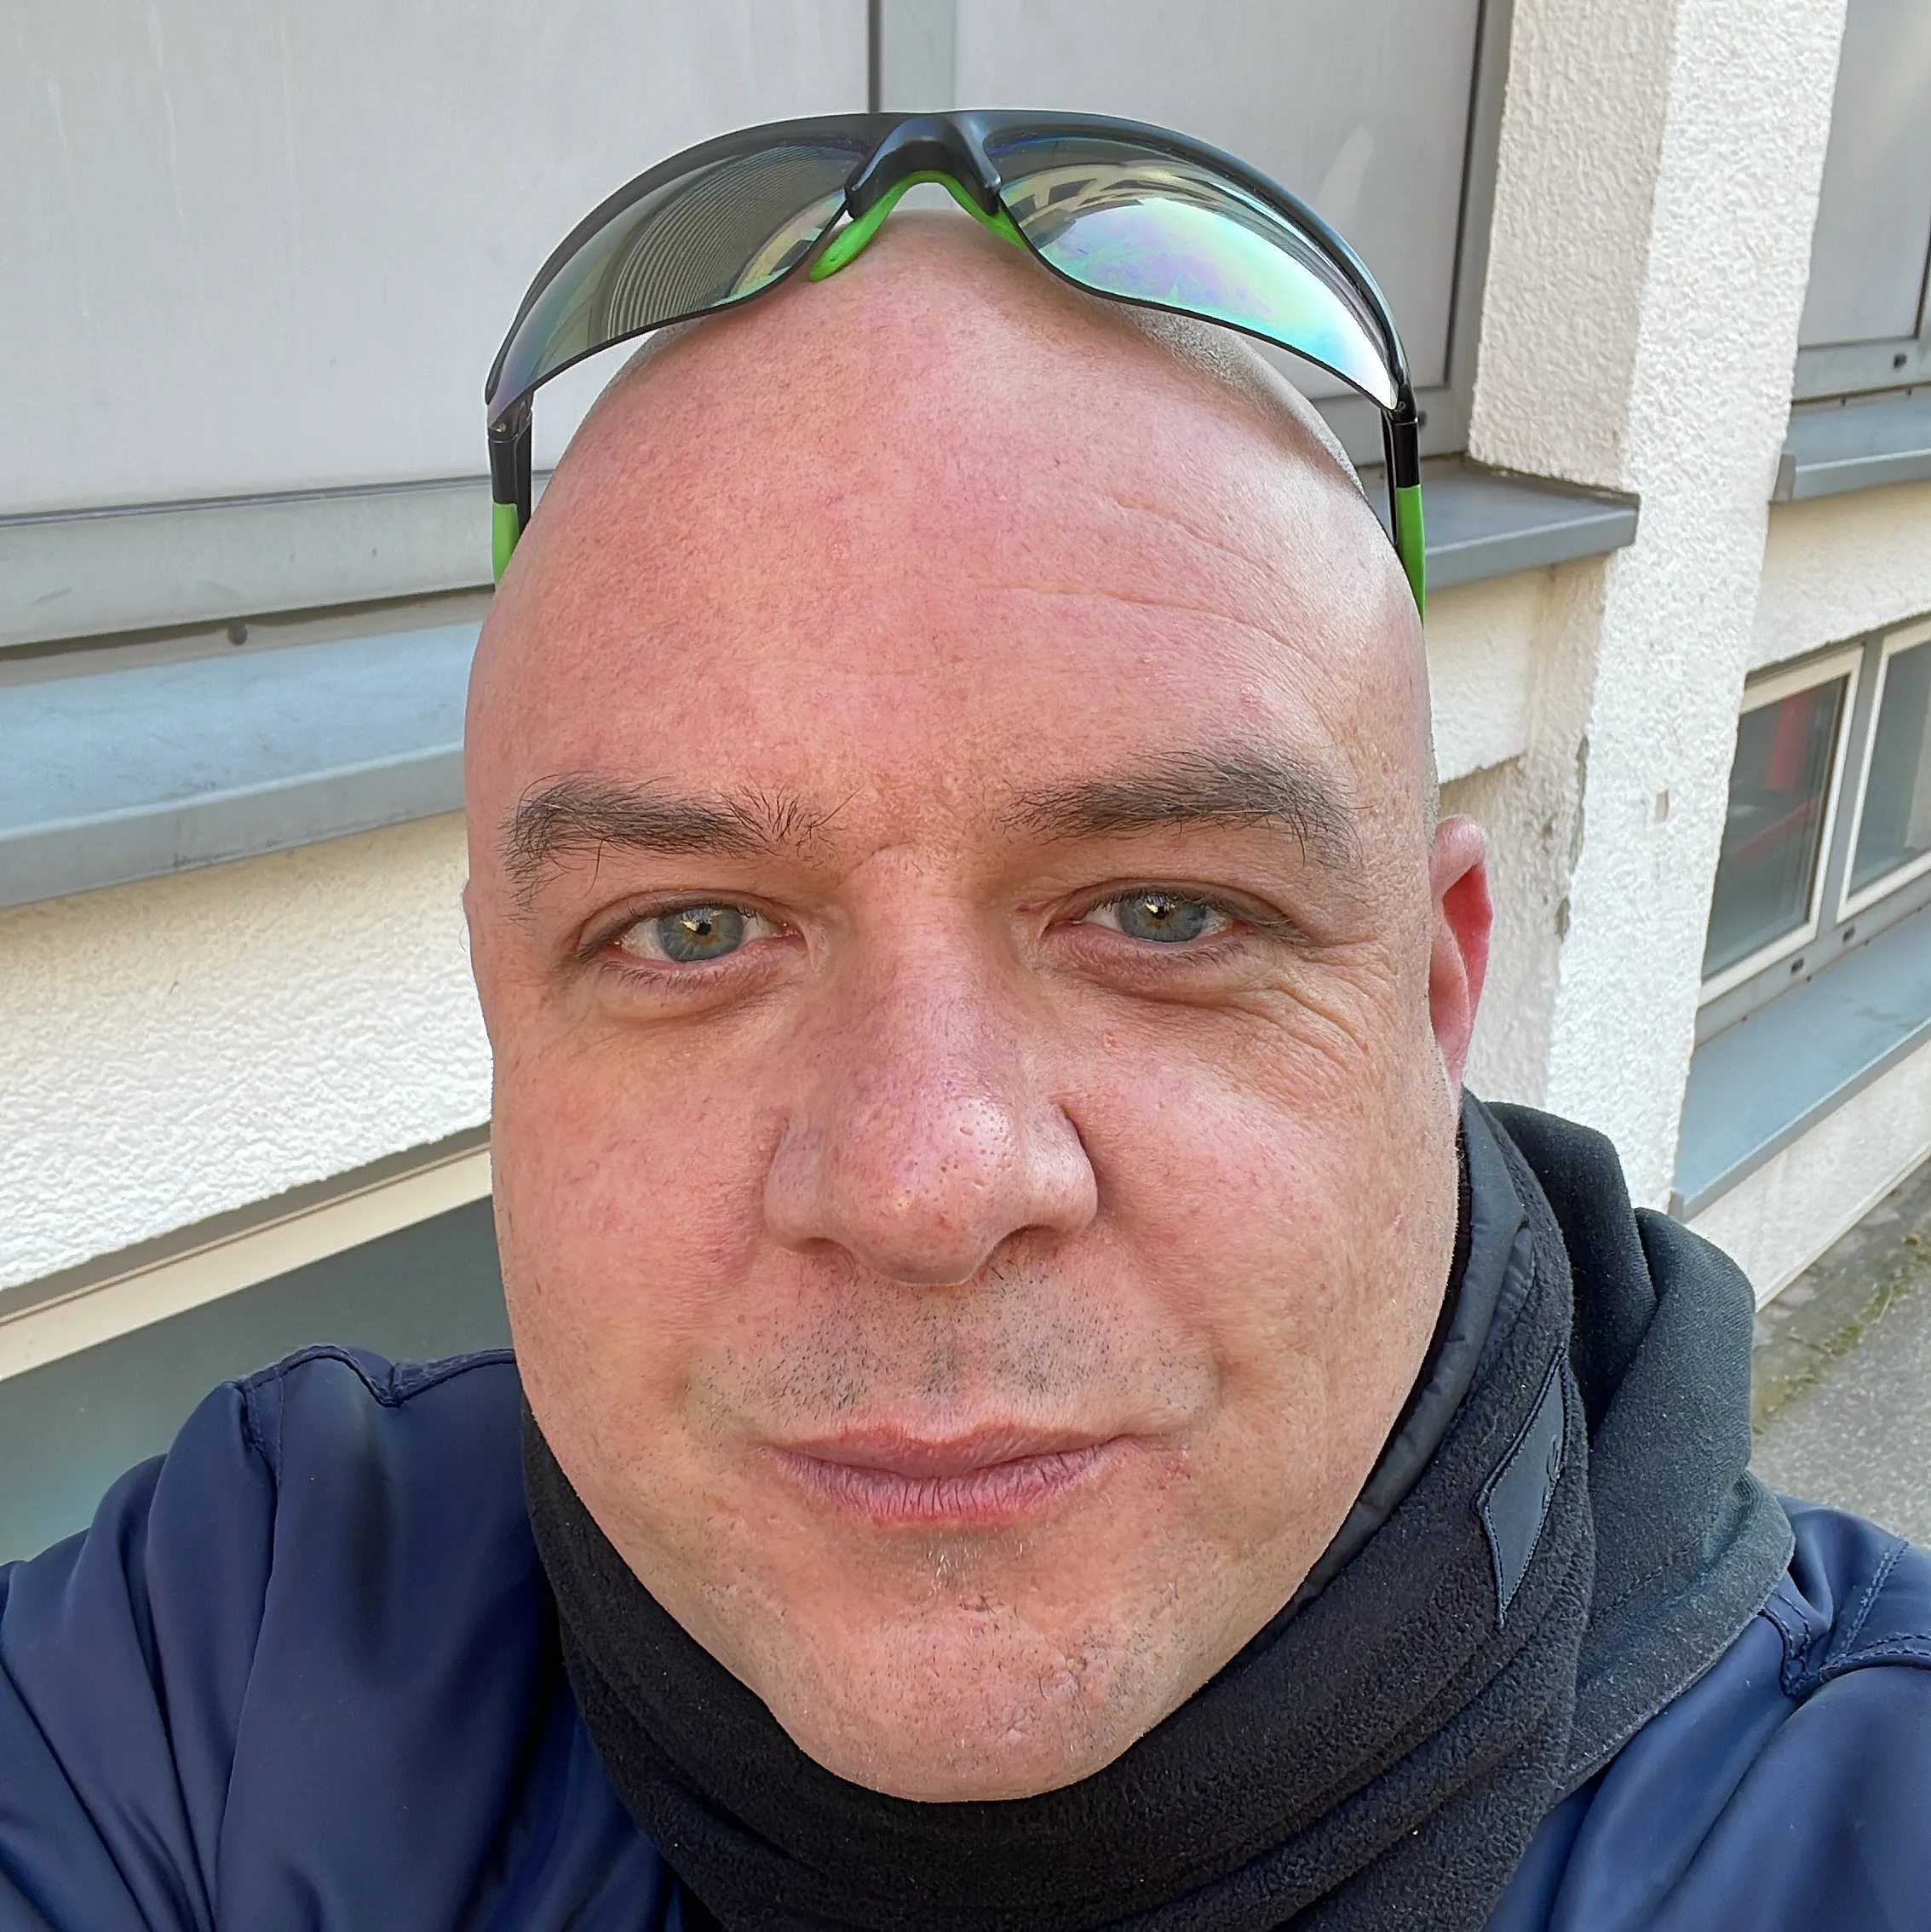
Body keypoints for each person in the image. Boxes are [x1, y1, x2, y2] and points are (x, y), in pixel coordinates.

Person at [3, 143, 1928, 1932]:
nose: (925, 1184)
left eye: (1163, 914)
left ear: (1433, 999)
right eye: (688, 932)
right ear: (504, 1018)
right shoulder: (233, 1647)